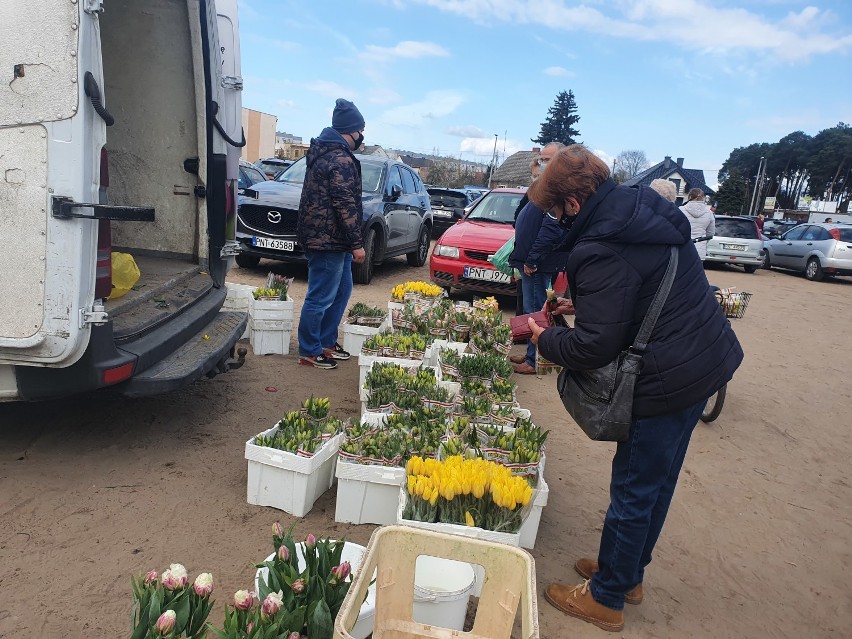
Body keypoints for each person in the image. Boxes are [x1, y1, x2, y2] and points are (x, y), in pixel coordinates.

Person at [525, 145, 743, 632]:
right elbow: (635, 300)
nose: (555, 219)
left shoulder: (600, 244)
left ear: (574, 205)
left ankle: (606, 598)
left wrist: (547, 337)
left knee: (633, 488)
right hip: (700, 362)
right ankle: (626, 575)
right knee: (656, 482)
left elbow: (594, 348)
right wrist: (580, 310)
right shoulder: (644, 211)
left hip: (666, 377)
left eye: (556, 210)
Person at [296, 98, 367, 369]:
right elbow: (344, 203)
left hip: (333, 239)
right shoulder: (338, 158)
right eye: (360, 130)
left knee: (341, 290)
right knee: (321, 295)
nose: (362, 136)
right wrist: (357, 244)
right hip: (327, 239)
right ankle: (309, 349)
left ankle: (325, 340)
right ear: (350, 131)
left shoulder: (329, 154)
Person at [508, 142, 567, 374]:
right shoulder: (546, 187)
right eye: (541, 159)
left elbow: (550, 230)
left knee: (537, 312)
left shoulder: (557, 192)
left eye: (547, 160)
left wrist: (532, 260)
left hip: (538, 264)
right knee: (532, 309)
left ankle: (534, 362)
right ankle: (532, 354)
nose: (542, 163)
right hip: (531, 261)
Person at [679, 188, 715, 261]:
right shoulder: (709, 213)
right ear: (703, 198)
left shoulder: (680, 210)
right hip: (699, 250)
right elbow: (710, 233)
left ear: (689, 197)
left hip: (682, 248)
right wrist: (703, 242)